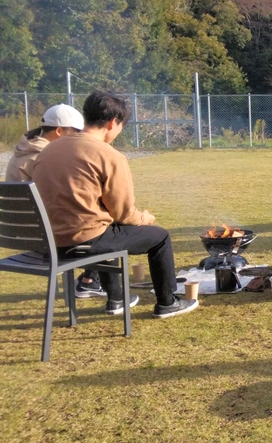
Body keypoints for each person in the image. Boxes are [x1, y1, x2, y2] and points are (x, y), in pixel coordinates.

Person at [32, 90, 197, 319]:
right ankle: (167, 302)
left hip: (48, 243)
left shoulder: (49, 150)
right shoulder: (109, 155)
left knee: (103, 227)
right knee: (159, 237)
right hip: (82, 241)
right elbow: (123, 213)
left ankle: (116, 299)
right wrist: (145, 219)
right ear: (113, 123)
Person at [5, 104, 106, 298]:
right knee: (98, 216)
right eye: (75, 132)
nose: (79, 137)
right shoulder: (46, 155)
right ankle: (90, 281)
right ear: (59, 131)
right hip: (45, 234)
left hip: (23, 231)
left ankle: (91, 280)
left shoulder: (24, 150)